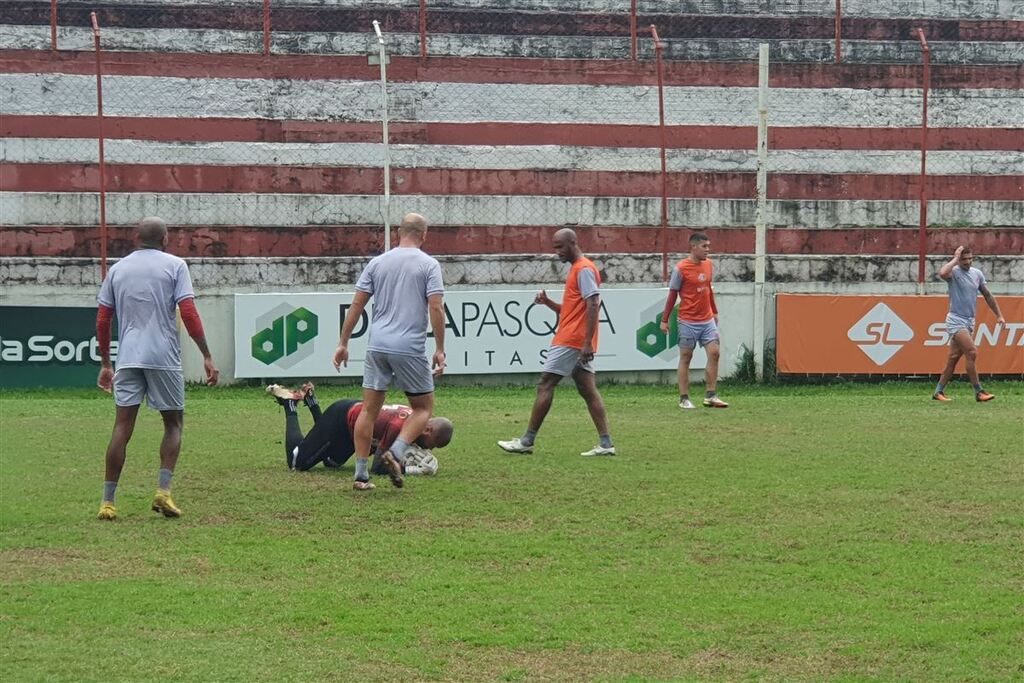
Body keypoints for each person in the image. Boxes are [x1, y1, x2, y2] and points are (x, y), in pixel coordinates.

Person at [95, 217, 219, 521]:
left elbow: (102, 320)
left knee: (122, 427)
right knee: (173, 424)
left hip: (128, 357)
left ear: (136, 237)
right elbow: (188, 312)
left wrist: (107, 364)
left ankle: (108, 502)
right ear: (166, 239)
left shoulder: (118, 269)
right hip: (163, 356)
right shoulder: (175, 265)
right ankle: (163, 492)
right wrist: (206, 355)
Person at [333, 213, 446, 491]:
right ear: (425, 235)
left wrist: (343, 343)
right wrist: (440, 348)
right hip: (408, 347)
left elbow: (356, 305)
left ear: (398, 232)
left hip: (377, 344)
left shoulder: (377, 263)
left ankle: (361, 475)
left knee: (368, 410)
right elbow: (435, 308)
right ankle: (395, 453)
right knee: (423, 408)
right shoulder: (429, 265)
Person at [498, 228, 615, 456]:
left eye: (560, 247)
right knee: (588, 390)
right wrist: (548, 303)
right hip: (575, 337)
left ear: (573, 243)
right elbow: (574, 310)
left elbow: (593, 304)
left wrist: (587, 342)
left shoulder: (583, 269)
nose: (557, 252)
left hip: (572, 339)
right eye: (555, 248)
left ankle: (527, 441)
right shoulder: (578, 269)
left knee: (546, 383)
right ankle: (606, 443)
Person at [266, 383, 453, 482]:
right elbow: (378, 467)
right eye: (433, 444)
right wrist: (412, 470)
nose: (430, 449)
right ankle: (290, 404)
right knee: (296, 462)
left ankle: (312, 402)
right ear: (428, 429)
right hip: (340, 419)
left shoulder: (414, 421)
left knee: (331, 462)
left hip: (353, 429)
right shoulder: (400, 425)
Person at [659, 233, 728, 409]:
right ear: (693, 247)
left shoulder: (709, 265)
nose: (708, 250)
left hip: (707, 320)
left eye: (708, 246)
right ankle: (684, 398)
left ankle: (710, 396)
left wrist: (714, 311)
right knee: (686, 357)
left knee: (715, 353)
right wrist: (664, 320)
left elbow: (708, 290)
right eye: (704, 246)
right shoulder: (681, 269)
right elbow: (672, 295)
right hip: (688, 321)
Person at [932, 245, 1005, 402]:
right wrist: (955, 259)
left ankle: (938, 392)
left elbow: (987, 295)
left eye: (970, 258)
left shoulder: (976, 274)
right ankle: (979, 391)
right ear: (959, 259)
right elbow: (942, 273)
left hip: (969, 321)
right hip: (955, 319)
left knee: (953, 357)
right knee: (971, 352)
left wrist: (999, 315)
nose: (968, 262)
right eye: (964, 259)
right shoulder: (954, 272)